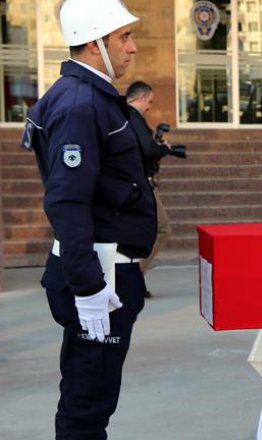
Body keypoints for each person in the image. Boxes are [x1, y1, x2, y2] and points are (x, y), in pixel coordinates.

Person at [21, 0, 155, 437]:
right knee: (87, 405)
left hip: (106, 269)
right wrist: (90, 288)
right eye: (123, 37)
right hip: (101, 275)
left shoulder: (91, 97)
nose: (132, 48)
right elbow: (67, 202)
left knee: (89, 397)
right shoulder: (80, 104)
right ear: (96, 44)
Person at [126, 81, 171, 298]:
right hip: (142, 184)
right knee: (162, 228)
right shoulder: (133, 118)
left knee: (145, 230)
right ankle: (134, 276)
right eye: (149, 102)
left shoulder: (122, 117)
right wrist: (162, 149)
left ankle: (133, 276)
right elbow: (147, 148)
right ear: (141, 98)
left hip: (134, 183)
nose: (149, 107)